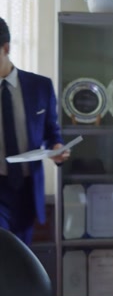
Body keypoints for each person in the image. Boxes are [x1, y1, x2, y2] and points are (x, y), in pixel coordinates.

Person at [0, 16, 70, 246]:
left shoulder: (40, 86)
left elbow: (51, 132)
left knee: (21, 253)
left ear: (6, 48)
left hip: (27, 188)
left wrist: (57, 147)